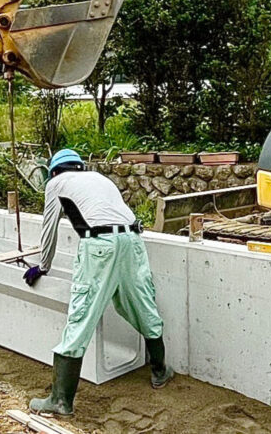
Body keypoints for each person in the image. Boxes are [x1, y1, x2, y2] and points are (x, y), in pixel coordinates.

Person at [24, 148, 171, 416]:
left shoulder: (56, 183)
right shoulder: (100, 179)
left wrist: (42, 266)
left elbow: (49, 228)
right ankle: (160, 370)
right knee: (140, 304)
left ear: (54, 171)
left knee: (81, 314)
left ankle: (60, 400)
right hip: (132, 241)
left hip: (100, 246)